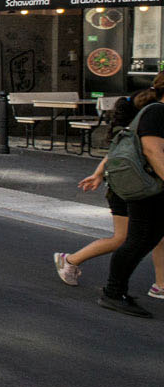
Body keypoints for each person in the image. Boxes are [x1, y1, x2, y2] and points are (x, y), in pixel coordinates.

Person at [59, 91, 164, 300]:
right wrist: (98, 174)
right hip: (128, 188)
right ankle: (71, 261)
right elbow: (129, 151)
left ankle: (159, 285)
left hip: (134, 186)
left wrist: (98, 174)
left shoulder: (144, 117)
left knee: (153, 238)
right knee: (124, 239)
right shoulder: (153, 115)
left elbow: (120, 151)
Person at [88, 87, 164, 317]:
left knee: (147, 238)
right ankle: (113, 292)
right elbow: (152, 151)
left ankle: (116, 290)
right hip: (147, 187)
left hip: (153, 186)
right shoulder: (157, 112)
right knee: (137, 240)